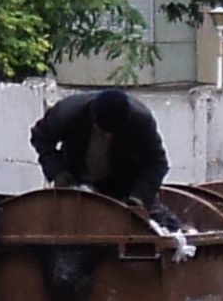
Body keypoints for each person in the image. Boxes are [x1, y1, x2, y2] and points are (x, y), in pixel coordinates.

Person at [30, 89, 170, 215]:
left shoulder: (141, 120)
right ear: (93, 118)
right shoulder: (67, 113)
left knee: (159, 225)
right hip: (75, 183)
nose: (108, 137)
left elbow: (157, 163)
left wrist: (138, 198)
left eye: (114, 132)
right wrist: (58, 171)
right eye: (103, 132)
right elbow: (40, 138)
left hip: (123, 185)